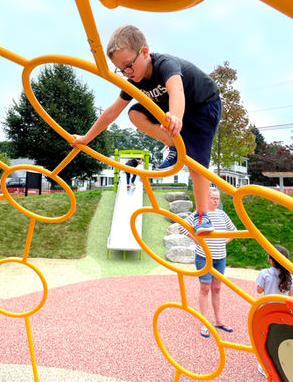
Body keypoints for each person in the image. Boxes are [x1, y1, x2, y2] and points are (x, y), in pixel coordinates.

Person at [70, 25, 221, 235]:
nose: (126, 73)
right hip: (170, 106)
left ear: (144, 52)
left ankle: (203, 215)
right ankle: (173, 145)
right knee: (134, 113)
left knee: (196, 165)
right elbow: (113, 112)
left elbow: (176, 90)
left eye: (128, 66)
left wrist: (175, 116)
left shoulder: (165, 65)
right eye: (120, 70)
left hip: (203, 104)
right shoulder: (133, 79)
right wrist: (86, 138)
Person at [180, 188, 237, 338]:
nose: (216, 201)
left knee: (217, 289)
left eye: (217, 198)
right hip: (204, 257)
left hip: (220, 257)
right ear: (206, 199)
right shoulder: (200, 215)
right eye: (213, 198)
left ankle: (218, 320)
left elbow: (233, 230)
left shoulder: (222, 214)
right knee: (205, 288)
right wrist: (197, 240)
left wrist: (223, 242)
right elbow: (182, 227)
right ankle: (204, 323)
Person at [255, 244, 293, 378]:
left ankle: (264, 366)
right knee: (280, 336)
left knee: (265, 336)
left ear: (271, 260)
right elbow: (291, 295)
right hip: (282, 309)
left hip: (267, 309)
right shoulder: (289, 274)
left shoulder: (265, 273)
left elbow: (259, 290)